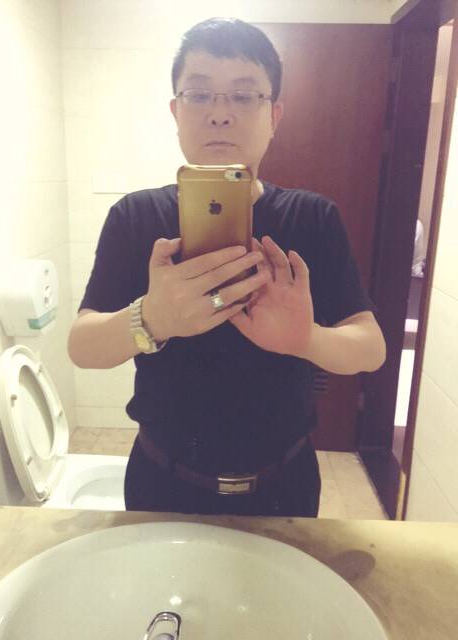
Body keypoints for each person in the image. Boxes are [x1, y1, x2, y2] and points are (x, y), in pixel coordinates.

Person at [67, 17, 386, 518]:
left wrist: (306, 339)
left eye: (243, 96)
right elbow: (81, 346)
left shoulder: (313, 217)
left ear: (274, 115)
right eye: (199, 95)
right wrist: (152, 319)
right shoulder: (134, 217)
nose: (220, 114)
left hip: (285, 486)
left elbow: (370, 347)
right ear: (175, 111)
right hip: (160, 483)